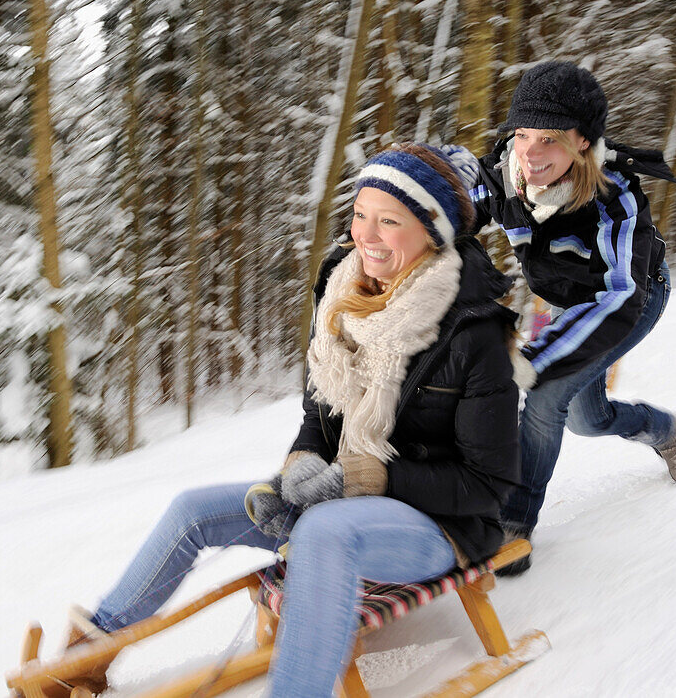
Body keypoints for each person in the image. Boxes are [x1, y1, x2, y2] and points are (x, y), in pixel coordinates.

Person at [56, 143, 522, 698]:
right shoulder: (341, 299)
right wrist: (302, 462)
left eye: (389, 222)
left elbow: (488, 487)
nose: (364, 236)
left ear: (434, 232)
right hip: (345, 496)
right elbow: (318, 417)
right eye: (360, 215)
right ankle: (84, 659)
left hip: (442, 528)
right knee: (193, 511)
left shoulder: (476, 334)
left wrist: (375, 477)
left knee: (325, 533)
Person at [470, 61, 676, 570]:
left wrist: (536, 356)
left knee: (547, 395)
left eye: (548, 139)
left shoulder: (614, 199)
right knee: (587, 421)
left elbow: (619, 295)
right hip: (568, 304)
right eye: (522, 134)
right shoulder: (508, 175)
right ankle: (665, 429)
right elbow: (461, 200)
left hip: (630, 299)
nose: (529, 153)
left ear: (581, 141)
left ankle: (513, 525)